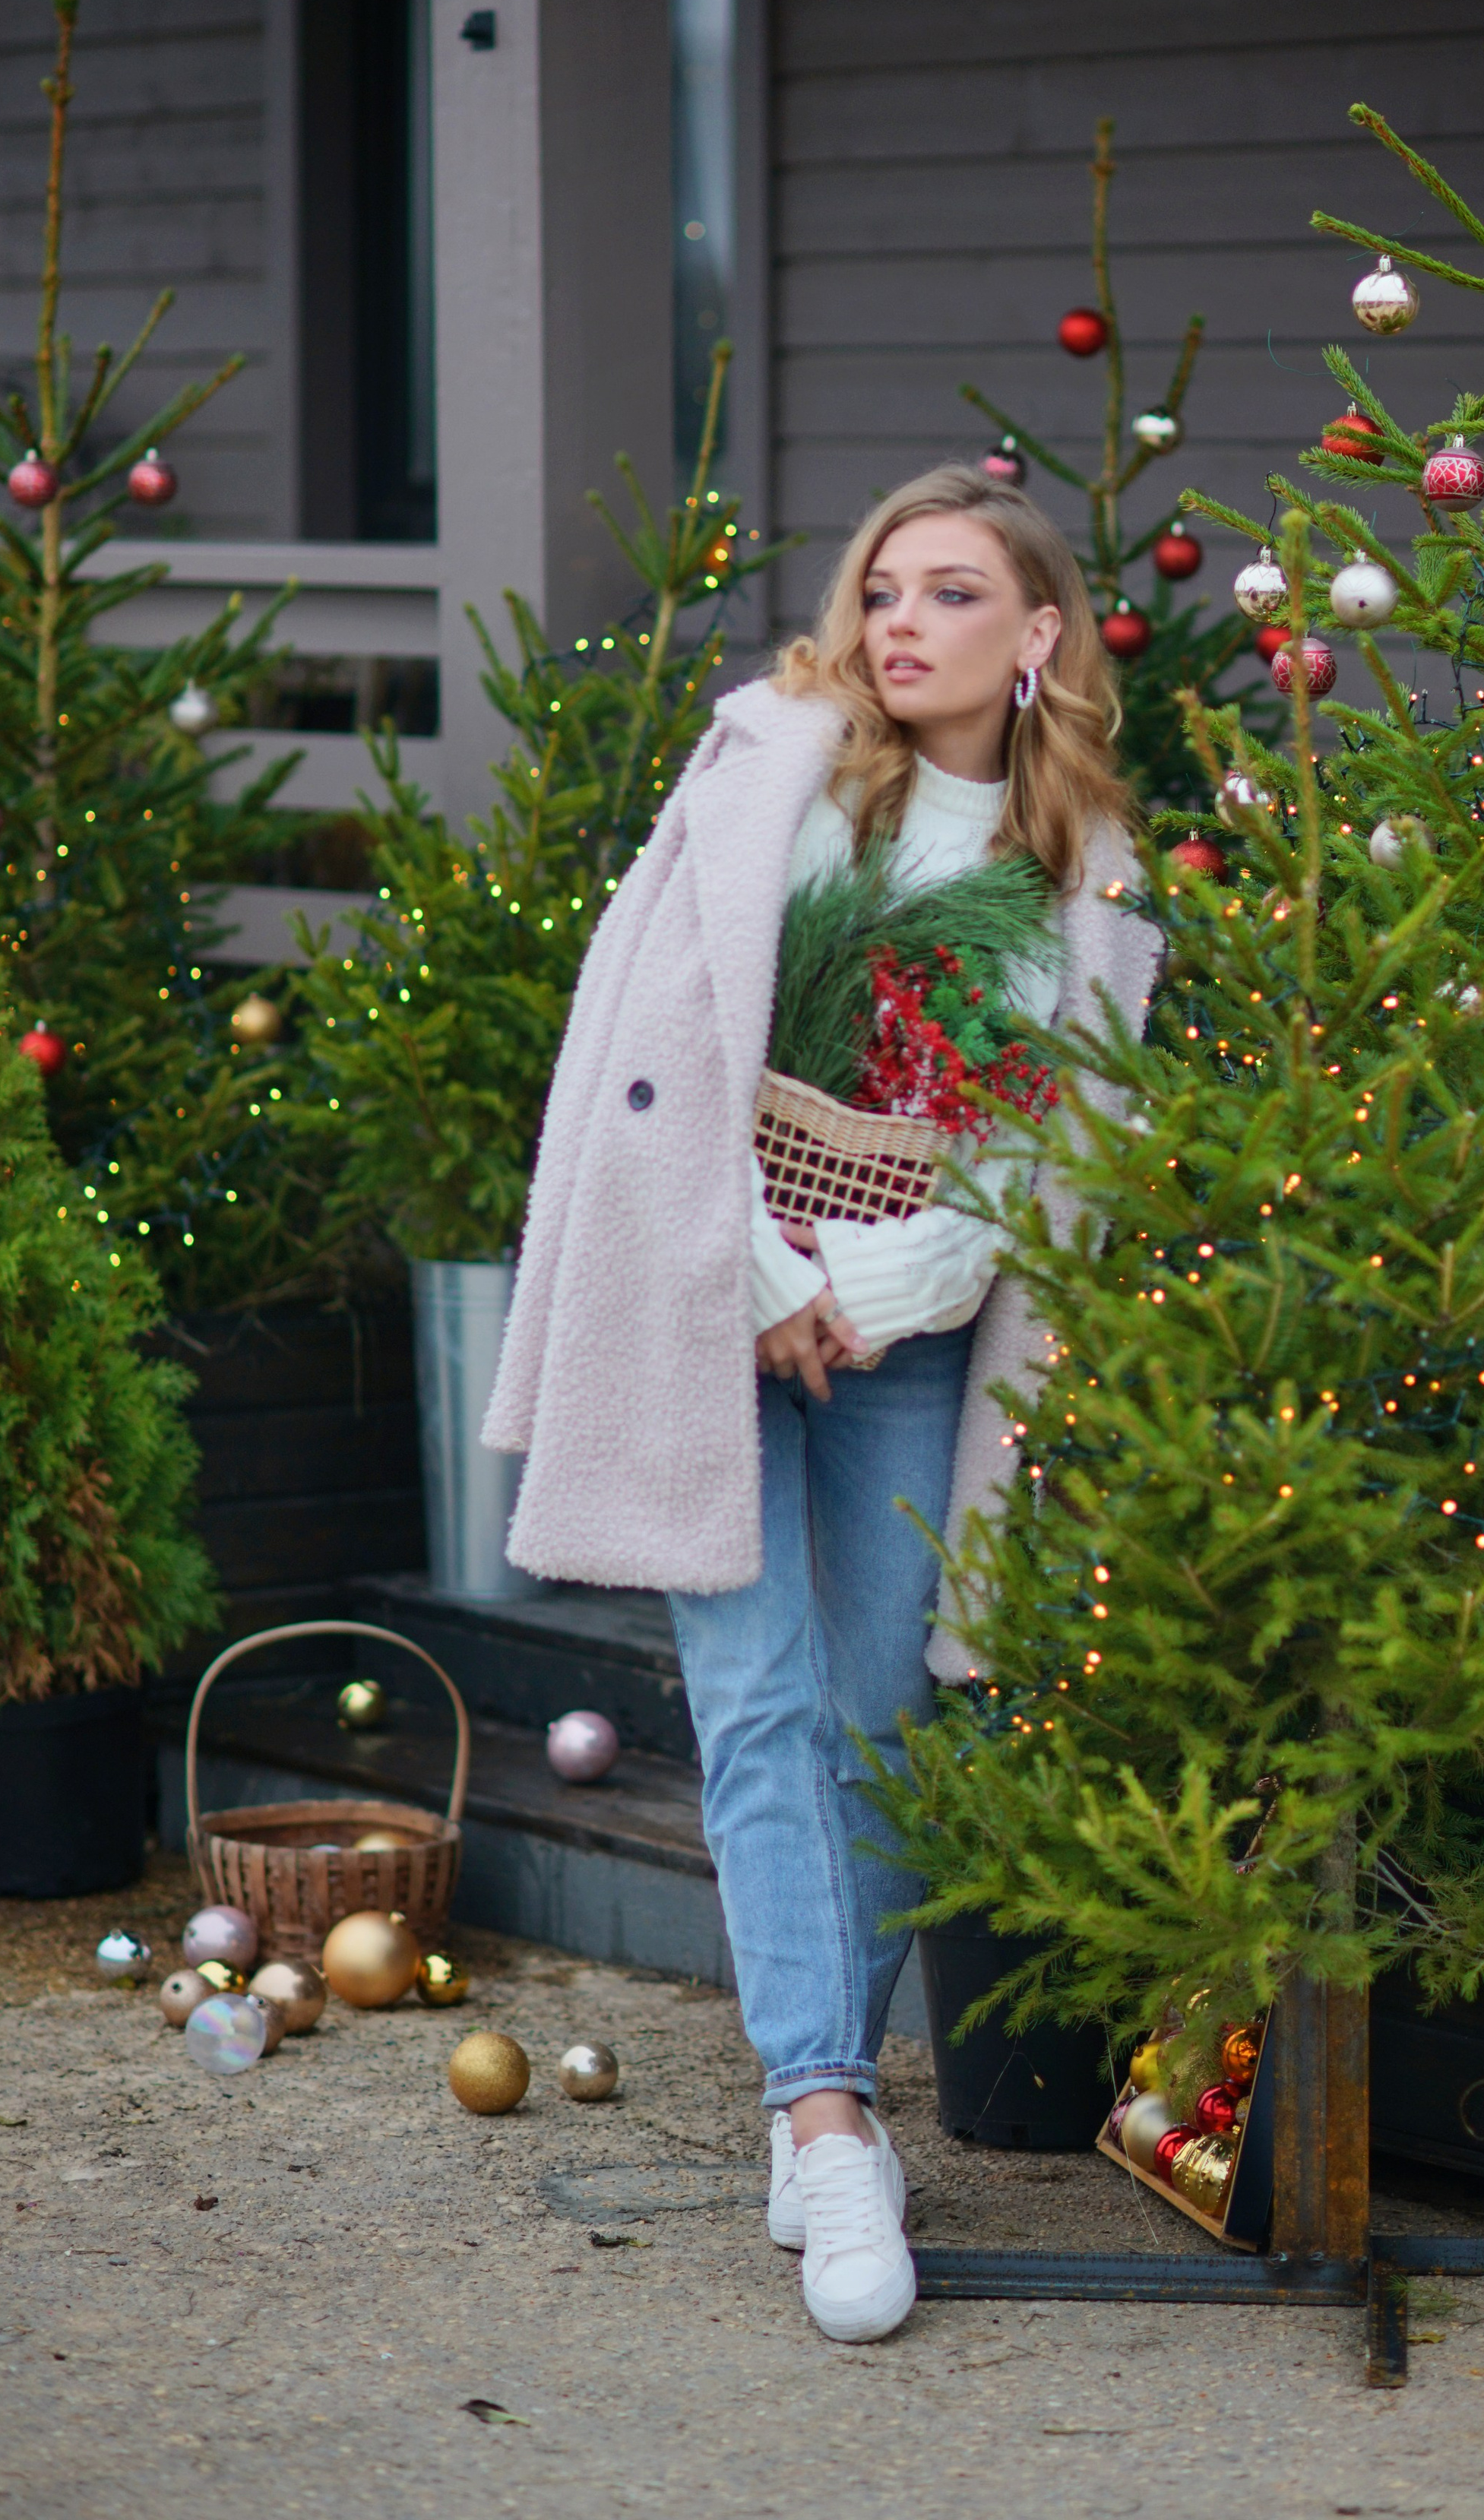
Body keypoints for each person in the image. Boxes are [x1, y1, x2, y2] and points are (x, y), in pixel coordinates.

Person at [483, 464, 1159, 2341]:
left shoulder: (1083, 858)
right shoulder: (771, 777)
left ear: (1035, 633)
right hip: (714, 1303)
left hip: (914, 1326)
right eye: (880, 589)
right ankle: (830, 2110)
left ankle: (818, 2081)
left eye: (949, 592)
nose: (898, 623)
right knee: (759, 1693)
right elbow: (639, 1037)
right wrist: (750, 1256)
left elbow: (1087, 1124)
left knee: (880, 1721)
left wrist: (944, 1252)